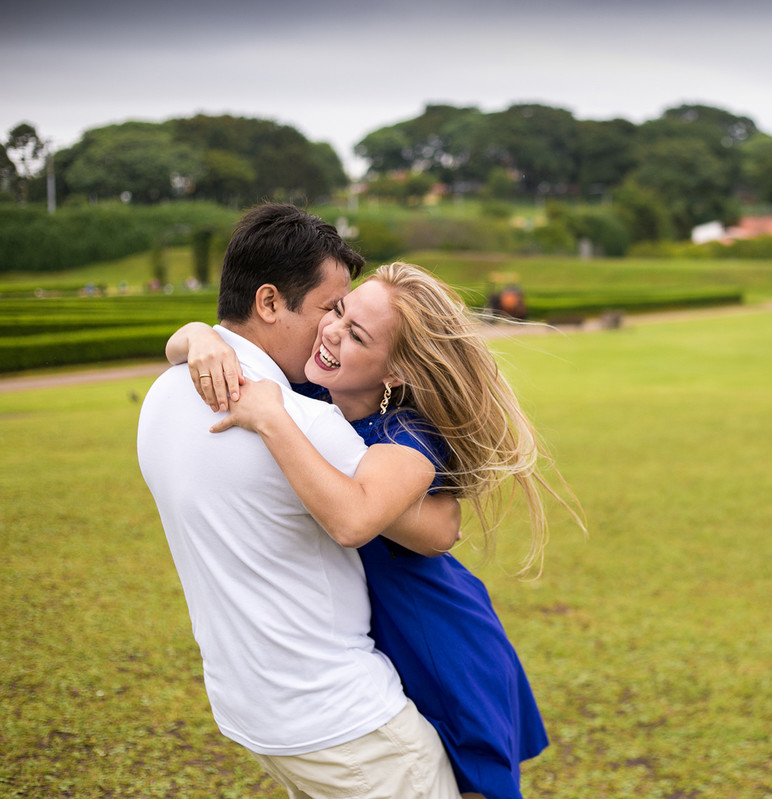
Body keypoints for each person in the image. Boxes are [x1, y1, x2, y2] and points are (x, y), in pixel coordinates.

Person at [169, 261, 583, 799]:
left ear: (394, 373)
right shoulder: (314, 394)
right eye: (337, 310)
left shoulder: (405, 435)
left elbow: (353, 521)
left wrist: (272, 419)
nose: (332, 332)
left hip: (432, 636)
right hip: (368, 637)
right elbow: (182, 344)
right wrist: (200, 336)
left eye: (357, 335)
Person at [138, 205, 462, 799]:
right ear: (268, 302)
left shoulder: (159, 399)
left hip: (251, 711)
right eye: (328, 309)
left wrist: (195, 335)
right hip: (346, 719)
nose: (330, 329)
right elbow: (438, 529)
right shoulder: (307, 421)